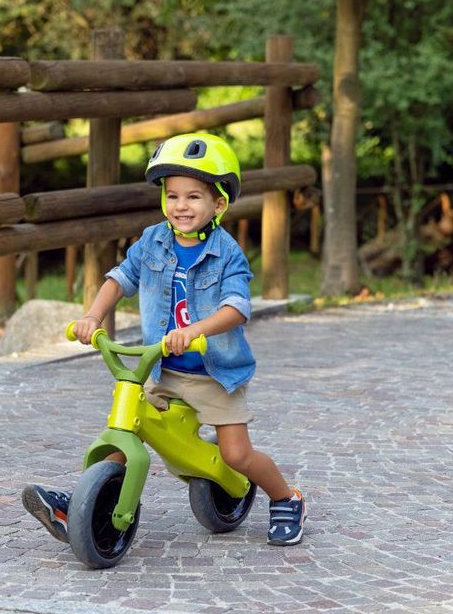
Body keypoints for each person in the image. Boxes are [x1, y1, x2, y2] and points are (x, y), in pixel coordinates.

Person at [21, 133, 306, 546]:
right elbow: (119, 279)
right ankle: (87, 499)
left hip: (214, 372)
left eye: (193, 197)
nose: (181, 206)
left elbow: (236, 308)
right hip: (160, 365)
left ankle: (285, 497)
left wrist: (195, 331)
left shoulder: (227, 253)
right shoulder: (152, 240)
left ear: (218, 204)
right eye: (173, 196)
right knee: (128, 423)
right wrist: (92, 316)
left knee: (236, 455)